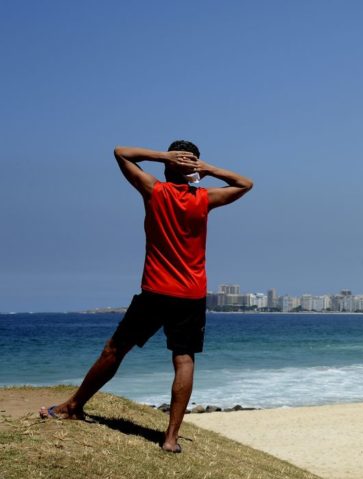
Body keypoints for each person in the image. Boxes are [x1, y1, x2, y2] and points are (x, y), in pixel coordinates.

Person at [40, 141, 253, 453]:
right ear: (193, 169)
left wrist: (163, 157)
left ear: (167, 166)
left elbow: (120, 152)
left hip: (155, 290)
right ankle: (170, 439)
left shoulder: (154, 190)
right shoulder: (205, 198)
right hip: (191, 294)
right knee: (184, 359)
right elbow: (245, 183)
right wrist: (206, 169)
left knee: (115, 350)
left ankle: (73, 406)